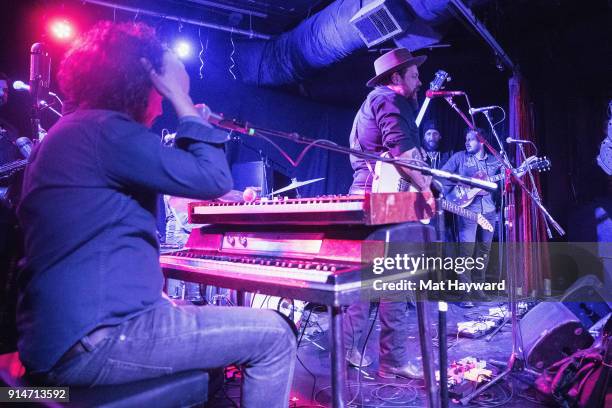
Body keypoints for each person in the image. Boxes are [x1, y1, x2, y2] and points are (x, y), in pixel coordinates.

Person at [16, 22, 296, 406]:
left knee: (192, 314)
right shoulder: (106, 131)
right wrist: (187, 108)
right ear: (142, 82)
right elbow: (212, 178)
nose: (163, 103)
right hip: (95, 341)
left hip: (59, 338)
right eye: (165, 92)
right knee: (276, 334)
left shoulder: (74, 132)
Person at [345, 48, 430, 379]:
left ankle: (349, 350)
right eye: (413, 75)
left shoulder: (371, 103)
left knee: (364, 284)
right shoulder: (389, 101)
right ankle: (393, 360)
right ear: (396, 78)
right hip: (386, 202)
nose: (419, 80)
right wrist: (427, 189)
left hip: (365, 197)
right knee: (394, 282)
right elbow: (404, 154)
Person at [442, 128, 502, 307]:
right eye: (466, 139)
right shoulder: (459, 158)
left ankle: (478, 290)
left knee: (484, 251)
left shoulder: (493, 160)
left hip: (489, 211)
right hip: (467, 211)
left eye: (471, 140)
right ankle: (465, 294)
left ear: (482, 142)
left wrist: (519, 171)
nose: (467, 143)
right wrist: (460, 187)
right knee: (466, 252)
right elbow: (443, 175)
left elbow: (506, 178)